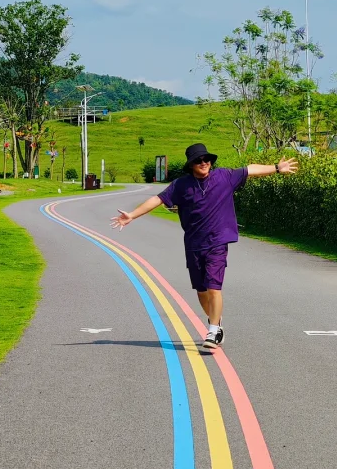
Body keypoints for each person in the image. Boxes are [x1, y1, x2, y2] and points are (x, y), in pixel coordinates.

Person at [112, 141, 298, 351]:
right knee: (201, 291)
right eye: (198, 160)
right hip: (194, 244)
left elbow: (249, 169)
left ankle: (212, 330)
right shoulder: (181, 185)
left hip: (217, 242)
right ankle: (216, 322)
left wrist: (276, 168)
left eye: (206, 159)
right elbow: (158, 199)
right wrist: (132, 215)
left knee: (213, 286)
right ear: (191, 165)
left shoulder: (224, 177)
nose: (204, 163)